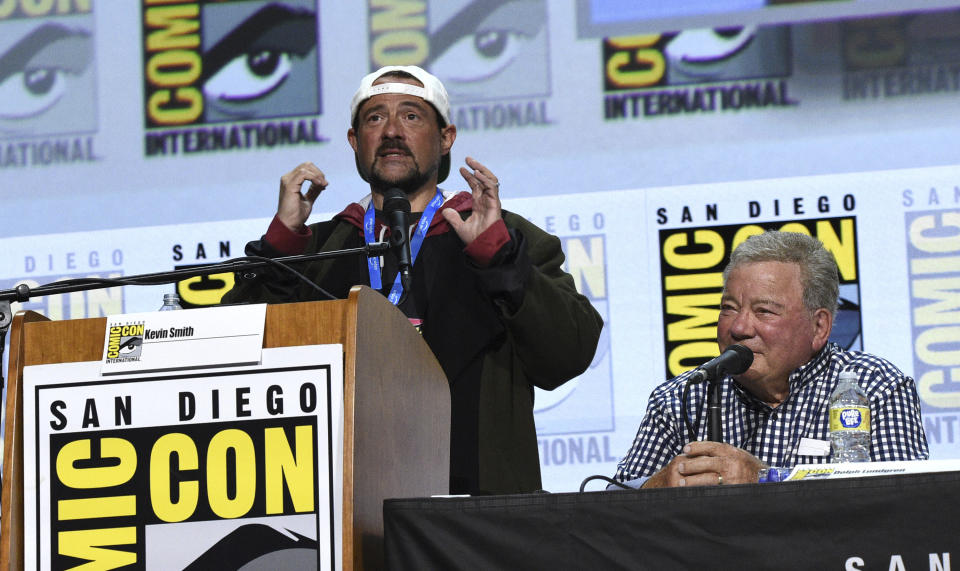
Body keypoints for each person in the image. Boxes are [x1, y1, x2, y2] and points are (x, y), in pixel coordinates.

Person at [221, 65, 603, 495]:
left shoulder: (502, 237)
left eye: (412, 116)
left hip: (475, 519)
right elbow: (233, 369)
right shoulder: (317, 250)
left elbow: (568, 354)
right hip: (340, 511)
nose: (391, 131)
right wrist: (282, 245)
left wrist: (498, 257)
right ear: (355, 142)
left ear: (446, 138)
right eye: (374, 118)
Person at [614, 230, 928, 488]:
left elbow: (906, 501)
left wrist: (764, 479)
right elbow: (609, 511)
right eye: (729, 308)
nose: (738, 327)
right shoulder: (682, 397)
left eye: (764, 311)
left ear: (819, 327)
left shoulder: (875, 387)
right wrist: (657, 487)